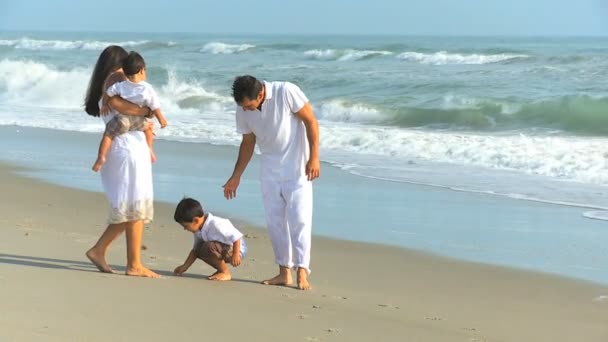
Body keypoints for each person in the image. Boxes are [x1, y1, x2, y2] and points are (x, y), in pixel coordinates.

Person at [222, 75, 320, 290]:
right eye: (242, 107)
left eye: (248, 106)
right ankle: (284, 272)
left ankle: (302, 271)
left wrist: (314, 158)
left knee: (300, 220)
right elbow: (248, 142)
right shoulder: (242, 109)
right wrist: (236, 175)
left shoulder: (286, 92)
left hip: (298, 169)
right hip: (269, 169)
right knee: (275, 222)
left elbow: (310, 121)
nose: (245, 110)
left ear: (260, 95)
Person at [84, 45, 159, 278]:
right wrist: (147, 111)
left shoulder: (106, 84)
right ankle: (129, 262)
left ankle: (118, 256)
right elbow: (117, 105)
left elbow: (116, 106)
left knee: (132, 207)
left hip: (123, 148)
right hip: (128, 148)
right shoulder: (116, 77)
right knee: (134, 208)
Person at [92, 51, 168, 172]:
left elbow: (108, 95)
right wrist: (160, 119)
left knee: (108, 135)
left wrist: (105, 105)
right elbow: (155, 107)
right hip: (138, 126)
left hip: (122, 121)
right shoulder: (147, 88)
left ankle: (101, 156)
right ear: (142, 70)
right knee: (149, 127)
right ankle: (150, 148)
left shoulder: (120, 86)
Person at [173, 197, 247, 281]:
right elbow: (195, 251)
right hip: (220, 248)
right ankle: (221, 270)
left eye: (186, 226)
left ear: (196, 220)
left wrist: (236, 254)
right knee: (199, 248)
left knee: (209, 247)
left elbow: (237, 236)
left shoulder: (216, 224)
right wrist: (184, 267)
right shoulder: (198, 230)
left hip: (236, 248)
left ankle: (225, 272)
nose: (185, 229)